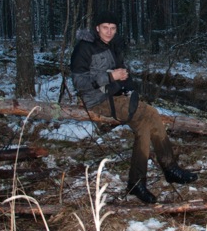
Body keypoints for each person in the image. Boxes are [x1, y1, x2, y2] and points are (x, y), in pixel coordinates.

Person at [70, 11, 197, 203]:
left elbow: (123, 74)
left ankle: (137, 183)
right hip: (98, 101)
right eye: (105, 28)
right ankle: (169, 168)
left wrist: (130, 90)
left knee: (145, 126)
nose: (109, 32)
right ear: (97, 28)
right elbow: (79, 82)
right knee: (149, 113)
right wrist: (111, 77)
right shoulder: (84, 48)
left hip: (116, 95)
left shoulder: (113, 45)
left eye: (113, 28)